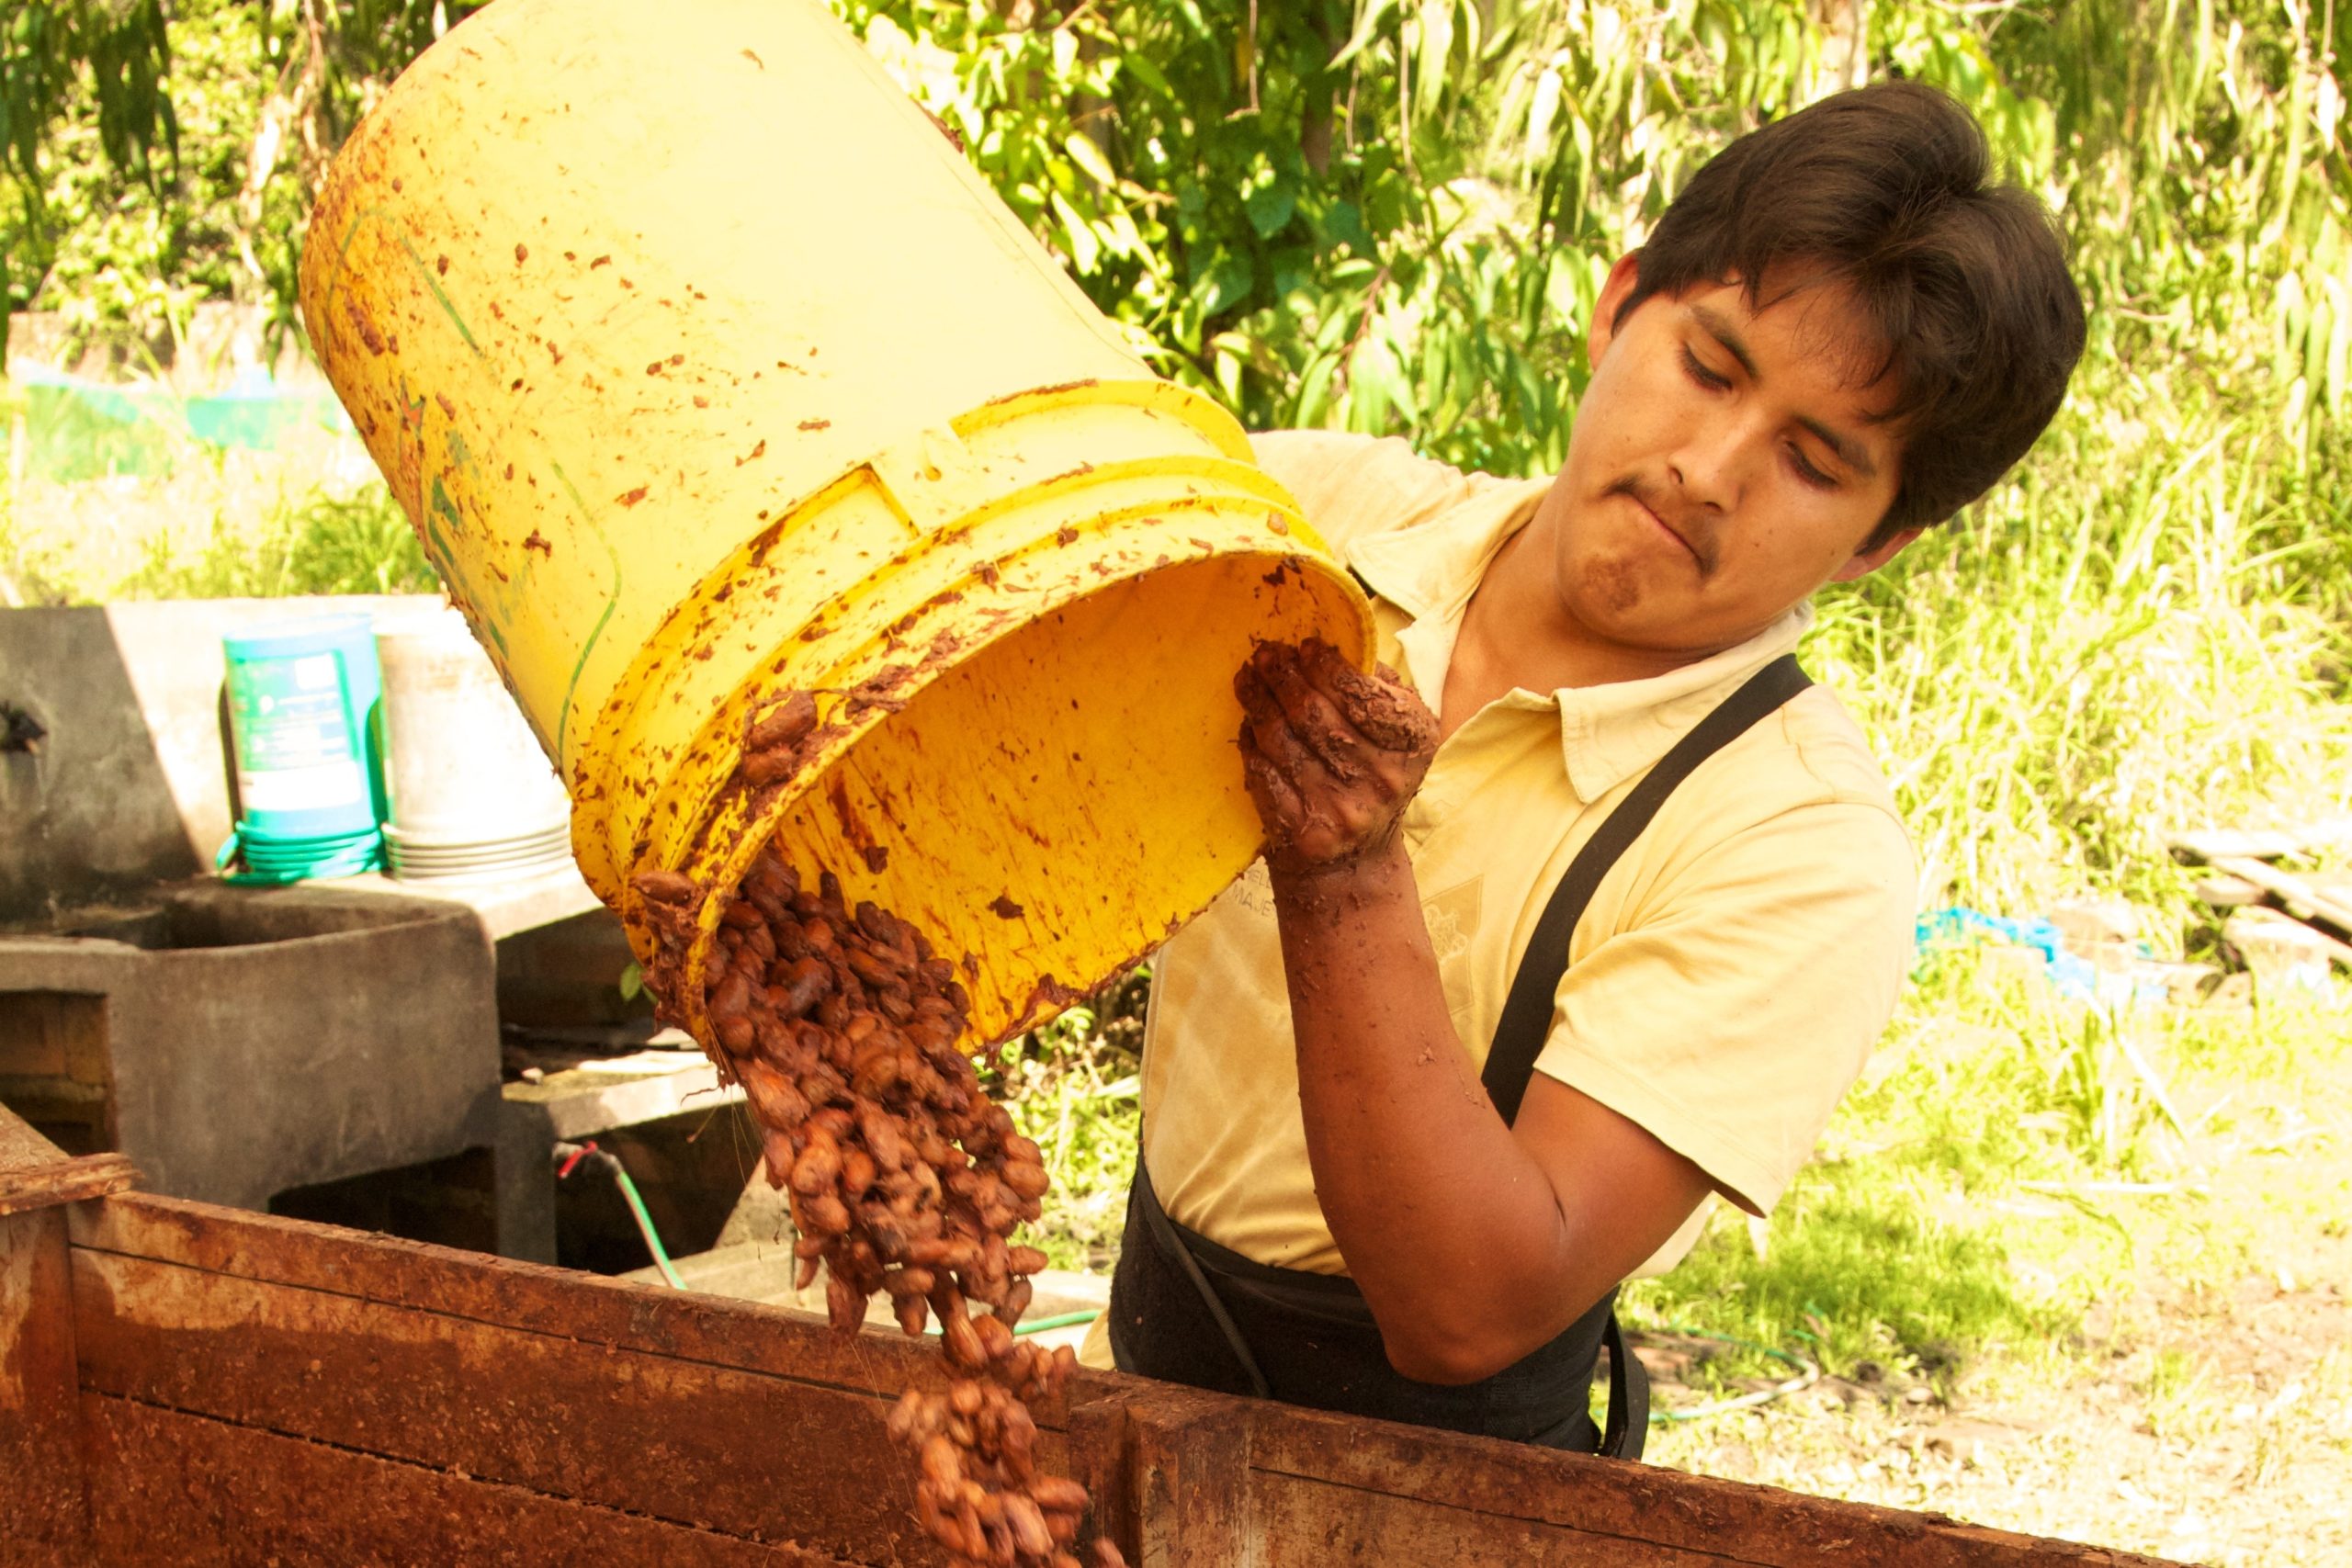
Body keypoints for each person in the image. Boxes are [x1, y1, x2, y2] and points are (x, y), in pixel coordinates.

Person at [1077, 80, 2086, 1456]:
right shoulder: (1316, 524)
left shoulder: (1794, 842)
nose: (1710, 469)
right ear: (1619, 309)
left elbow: (1472, 1308)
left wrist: (1348, 874)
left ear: (1876, 543)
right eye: (1712, 368)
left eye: (1813, 458)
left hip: (1446, 1508)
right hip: (1117, 1398)